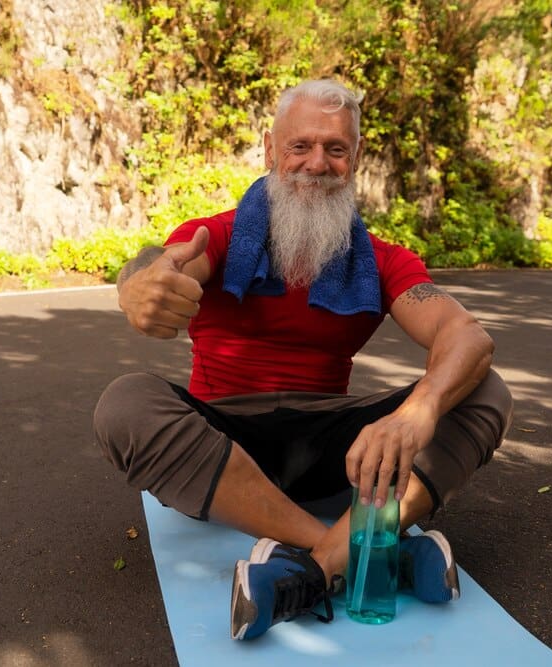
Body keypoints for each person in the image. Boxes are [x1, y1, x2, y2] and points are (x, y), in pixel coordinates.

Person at [94, 79, 513, 641]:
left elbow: (465, 336)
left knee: (485, 390)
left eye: (335, 149)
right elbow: (162, 265)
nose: (318, 163)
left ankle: (312, 571)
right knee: (124, 405)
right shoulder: (214, 237)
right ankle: (361, 550)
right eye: (301, 147)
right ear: (270, 151)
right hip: (225, 442)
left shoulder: (384, 261)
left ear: (355, 158)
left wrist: (419, 411)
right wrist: (139, 285)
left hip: (332, 451)